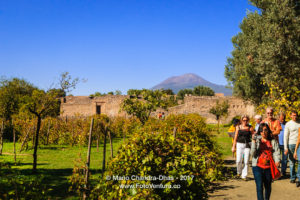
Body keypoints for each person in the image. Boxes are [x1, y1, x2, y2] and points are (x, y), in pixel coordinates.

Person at [251, 123, 280, 200]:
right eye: (261, 130)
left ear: (268, 130)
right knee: (259, 186)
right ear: (259, 132)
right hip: (257, 167)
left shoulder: (273, 140)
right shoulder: (257, 140)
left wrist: (277, 160)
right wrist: (253, 142)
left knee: (268, 186)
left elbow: (276, 152)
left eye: (265, 130)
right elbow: (253, 154)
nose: (263, 132)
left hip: (269, 167)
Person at [232, 115, 255, 180]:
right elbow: (235, 137)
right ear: (241, 120)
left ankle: (244, 175)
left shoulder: (250, 127)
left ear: (248, 120)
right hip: (239, 144)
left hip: (247, 145)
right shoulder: (238, 127)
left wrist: (254, 141)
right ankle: (239, 172)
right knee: (238, 160)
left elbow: (253, 135)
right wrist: (233, 146)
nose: (245, 121)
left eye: (246, 120)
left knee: (246, 161)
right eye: (244, 120)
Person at [284, 111, 300, 185]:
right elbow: (285, 136)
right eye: (293, 115)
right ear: (290, 116)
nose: (295, 117)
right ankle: (292, 177)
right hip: (291, 144)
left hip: (299, 144)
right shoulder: (288, 124)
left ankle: (298, 177)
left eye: (296, 115)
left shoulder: (299, 123)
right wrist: (285, 147)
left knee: (299, 161)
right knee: (292, 162)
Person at [278, 112, 287, 177]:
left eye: (283, 119)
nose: (282, 120)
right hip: (278, 143)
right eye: (281, 119)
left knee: (285, 159)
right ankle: (276, 172)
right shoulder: (277, 123)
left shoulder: (287, 124)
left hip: (285, 144)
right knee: (277, 158)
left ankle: (283, 172)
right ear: (279, 118)